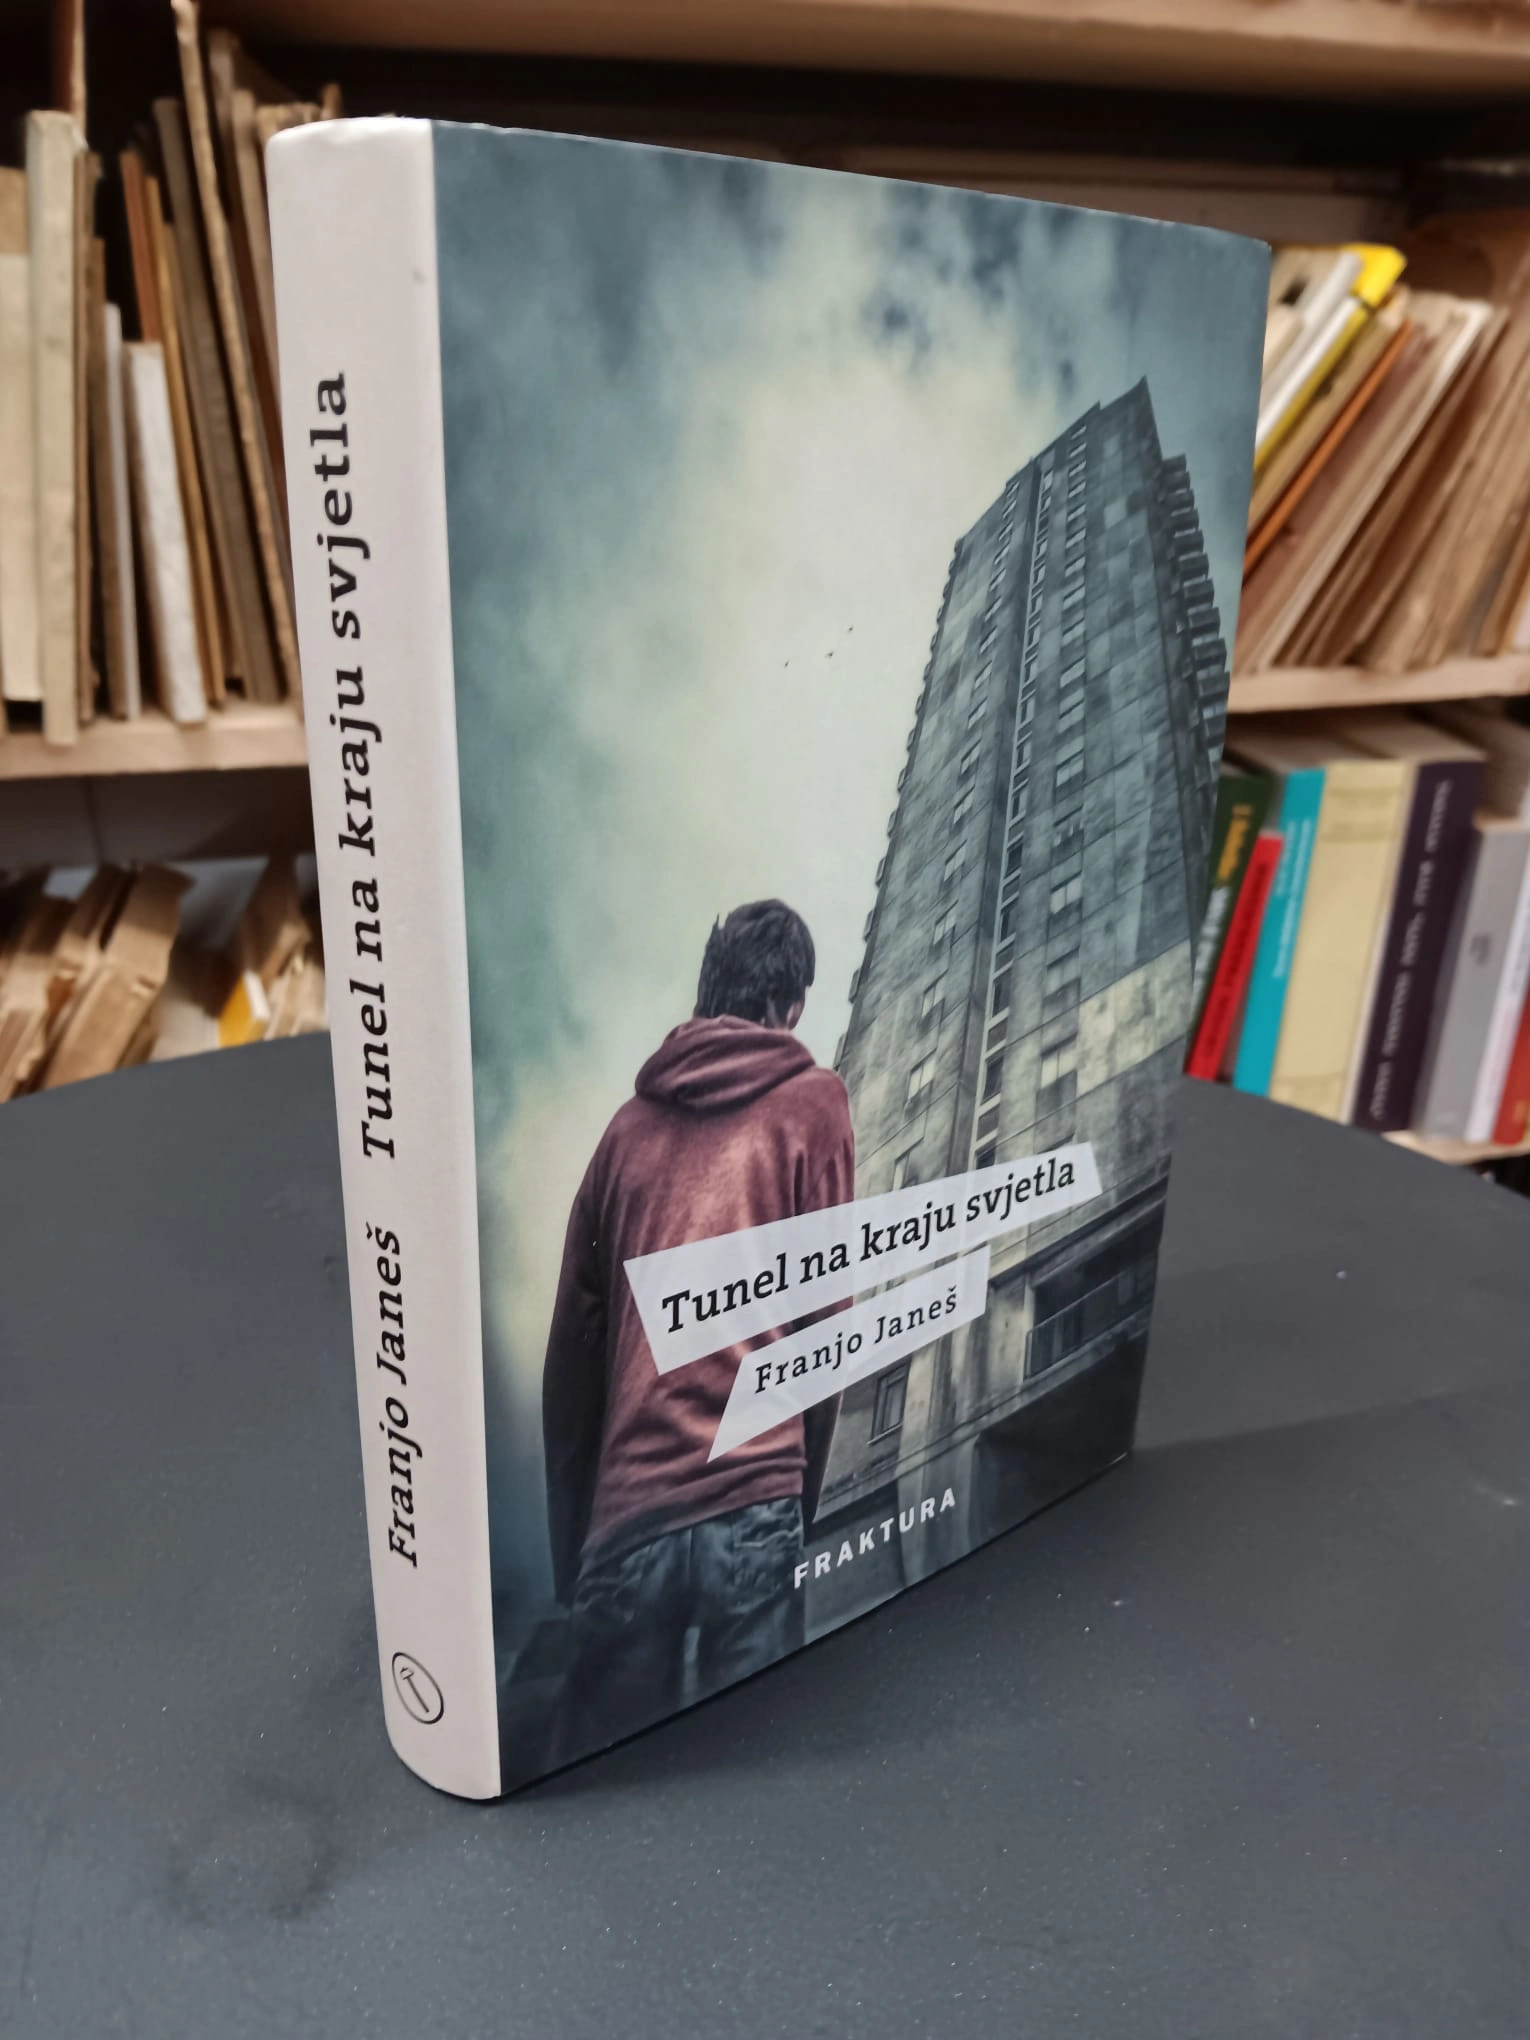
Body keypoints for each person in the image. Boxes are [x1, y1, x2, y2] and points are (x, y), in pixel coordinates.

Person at [542, 899, 855, 1754]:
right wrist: (796, 1495)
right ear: (792, 1005)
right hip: (755, 1502)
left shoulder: (623, 1135)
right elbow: (825, 1320)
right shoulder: (815, 1104)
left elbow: (572, 1360)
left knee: (606, 1784)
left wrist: (576, 1548)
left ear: (708, 987)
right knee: (753, 1775)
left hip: (625, 1527)